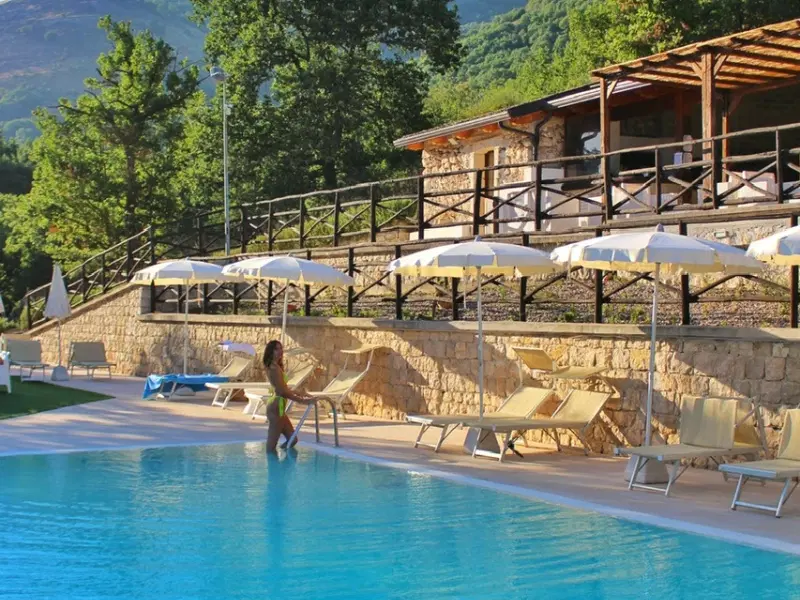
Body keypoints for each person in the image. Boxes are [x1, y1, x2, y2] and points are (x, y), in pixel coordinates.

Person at [262, 340, 317, 453]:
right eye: (276, 349)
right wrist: (302, 401)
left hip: (280, 408)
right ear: (270, 351)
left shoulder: (277, 367)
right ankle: (273, 469)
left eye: (281, 348)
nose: (280, 351)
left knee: (293, 439)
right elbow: (282, 392)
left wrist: (299, 393)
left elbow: (284, 388)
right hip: (276, 408)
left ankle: (283, 468)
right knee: (271, 448)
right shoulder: (274, 368)